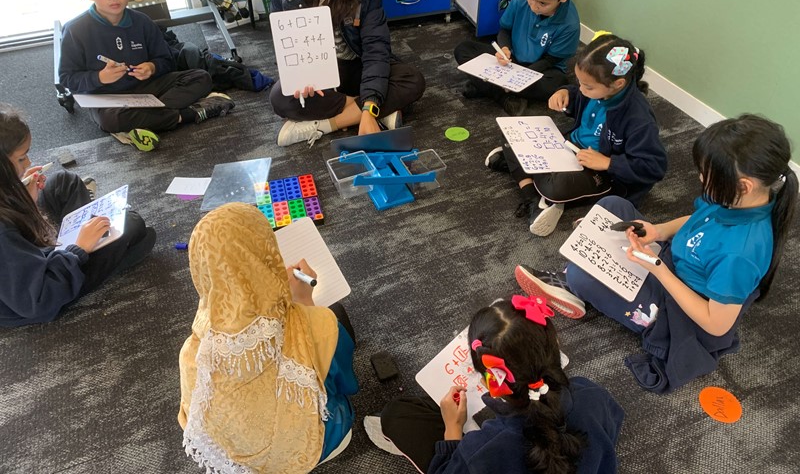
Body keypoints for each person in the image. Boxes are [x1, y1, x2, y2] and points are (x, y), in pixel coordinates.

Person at [517, 114, 798, 393]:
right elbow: (698, 218)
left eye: (707, 174)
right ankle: (591, 271)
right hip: (675, 263)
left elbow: (716, 325)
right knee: (613, 205)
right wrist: (659, 231)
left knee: (581, 275)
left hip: (676, 310)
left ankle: (572, 284)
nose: (700, 178)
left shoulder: (740, 254)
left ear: (744, 186)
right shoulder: (738, 200)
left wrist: (658, 268)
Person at [178, 202, 358, 473]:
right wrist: (304, 301)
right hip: (317, 445)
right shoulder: (317, 325)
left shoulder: (192, 353)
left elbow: (191, 419)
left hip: (242, 462)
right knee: (337, 319)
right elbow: (346, 382)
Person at [366, 296, 623, 473]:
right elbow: (613, 423)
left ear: (492, 379)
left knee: (397, 415)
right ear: (554, 347)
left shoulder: (482, 451)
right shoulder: (592, 394)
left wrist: (453, 430)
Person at [486, 33, 667, 239]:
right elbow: (578, 93)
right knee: (510, 130)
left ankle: (524, 171)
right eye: (579, 83)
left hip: (603, 173)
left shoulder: (639, 119)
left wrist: (608, 163)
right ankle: (534, 198)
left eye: (587, 87)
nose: (581, 89)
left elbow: (655, 167)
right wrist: (566, 93)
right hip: (570, 146)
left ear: (618, 84)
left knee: (556, 186)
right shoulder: (598, 86)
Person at [269, 0, 426, 147]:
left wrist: (370, 105)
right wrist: (301, 76)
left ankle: (324, 125)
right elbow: (285, 47)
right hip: (319, 75)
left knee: (412, 80)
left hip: (356, 64)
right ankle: (378, 112)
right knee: (280, 98)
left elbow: (375, 47)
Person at [59, 0, 236, 152]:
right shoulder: (75, 29)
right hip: (107, 97)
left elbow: (167, 60)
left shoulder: (141, 22)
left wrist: (151, 68)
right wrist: (100, 77)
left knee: (201, 77)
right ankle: (186, 115)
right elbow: (67, 79)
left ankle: (143, 121)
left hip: (146, 89)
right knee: (110, 120)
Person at [0, 105, 155, 327]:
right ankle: (99, 254)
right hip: (38, 296)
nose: (30, 164)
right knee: (132, 224)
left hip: (30, 259)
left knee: (63, 182)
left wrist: (27, 201)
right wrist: (79, 249)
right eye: (22, 159)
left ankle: (94, 242)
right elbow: (39, 299)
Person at [454, 0, 581, 116]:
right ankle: (504, 95)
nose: (534, 6)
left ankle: (487, 87)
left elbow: (551, 60)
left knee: (556, 84)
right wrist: (504, 48)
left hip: (541, 68)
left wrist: (519, 75)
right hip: (511, 59)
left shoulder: (569, 23)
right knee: (463, 49)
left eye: (543, 3)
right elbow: (505, 30)